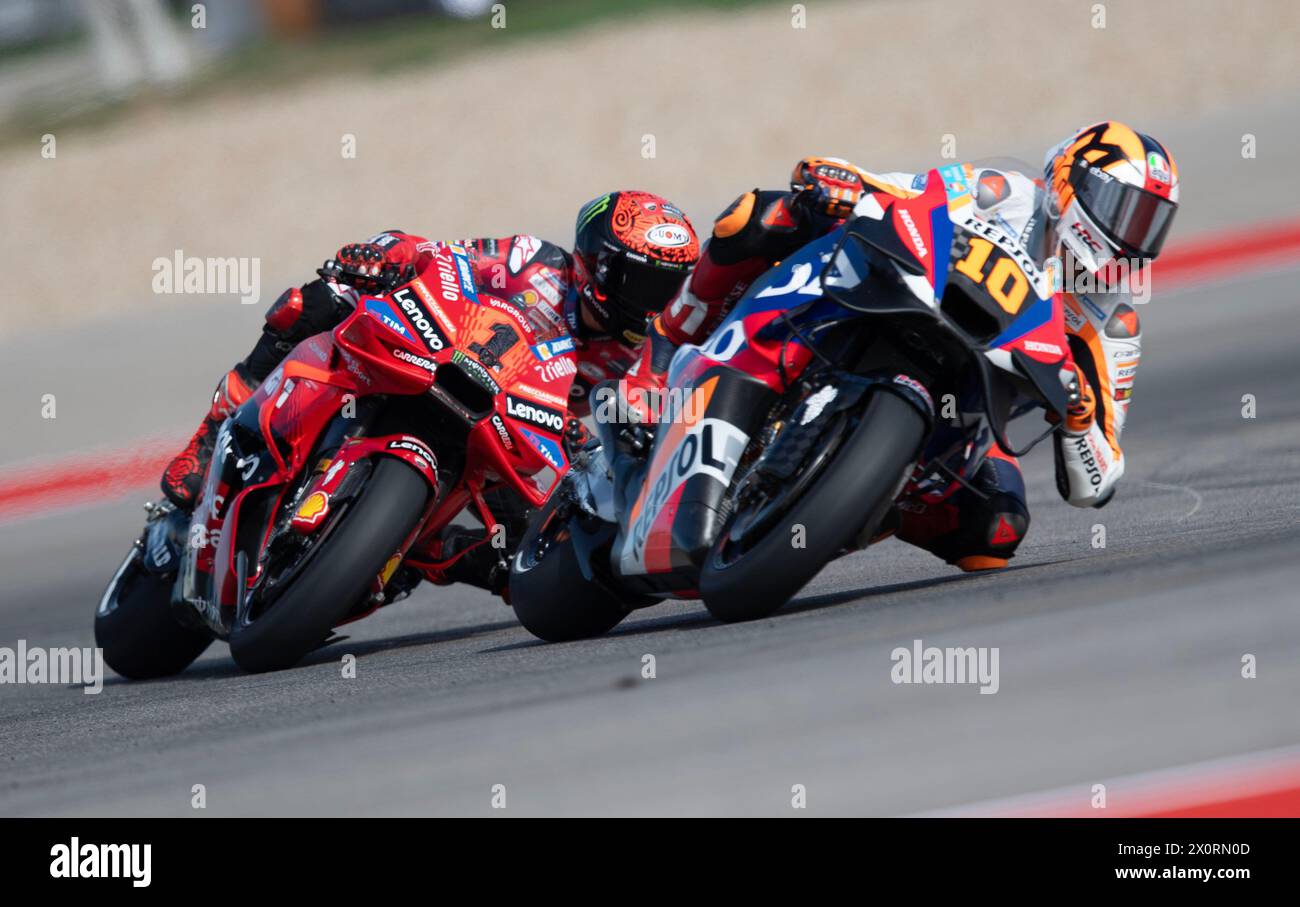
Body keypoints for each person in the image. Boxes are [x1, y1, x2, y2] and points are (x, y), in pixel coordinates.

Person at [621, 122, 1179, 571]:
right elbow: (904, 192)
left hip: (961, 414)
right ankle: (662, 355)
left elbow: (1095, 483)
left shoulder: (1111, 320)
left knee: (996, 532)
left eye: (1151, 225)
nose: (1132, 236)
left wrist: (1080, 419)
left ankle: (853, 504)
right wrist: (848, 181)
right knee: (761, 215)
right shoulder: (1003, 193)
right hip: (895, 307)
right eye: (1124, 210)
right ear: (1071, 182)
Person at [159, 191, 700, 591]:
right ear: (598, 264)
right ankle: (208, 439)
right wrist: (383, 258)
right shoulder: (533, 262)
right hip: (434, 358)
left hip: (509, 439)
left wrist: (592, 447)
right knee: (314, 303)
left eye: (670, 289)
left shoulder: (637, 356)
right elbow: (441, 256)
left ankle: (397, 556)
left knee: (522, 564)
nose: (655, 304)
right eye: (644, 283)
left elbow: (621, 428)